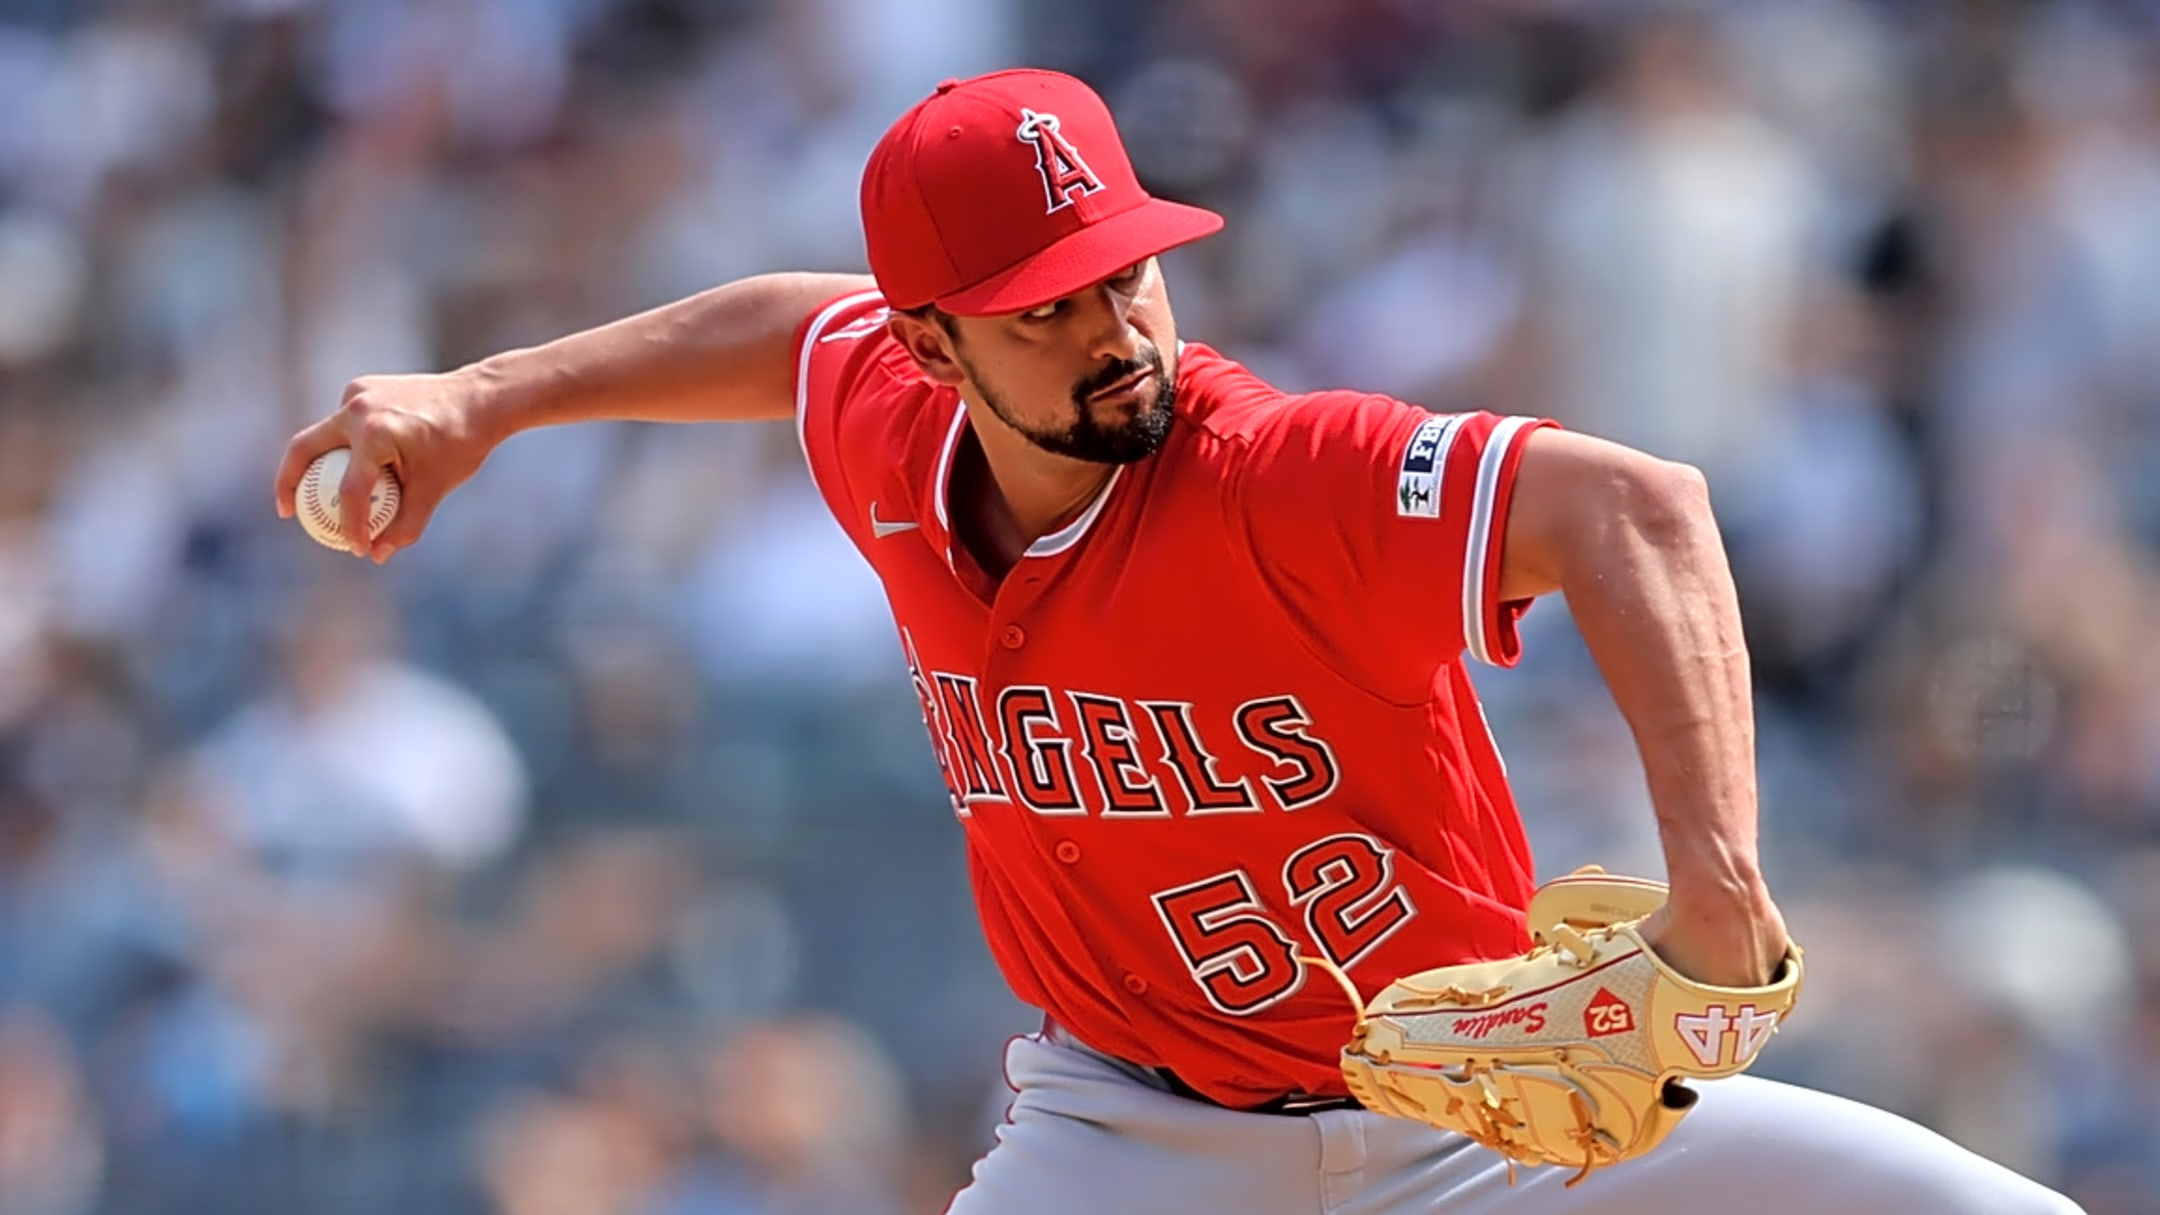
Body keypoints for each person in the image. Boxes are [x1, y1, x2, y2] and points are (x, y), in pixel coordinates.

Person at [276, 69, 2080, 1214]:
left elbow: (1641, 509)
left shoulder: (1279, 475)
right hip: (1131, 1144)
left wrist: (1720, 887)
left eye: (1125, 271)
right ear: (933, 347)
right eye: (1043, 311)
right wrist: (485, 397)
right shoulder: (889, 430)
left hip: (1497, 1121)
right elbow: (785, 329)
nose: (1113, 330)